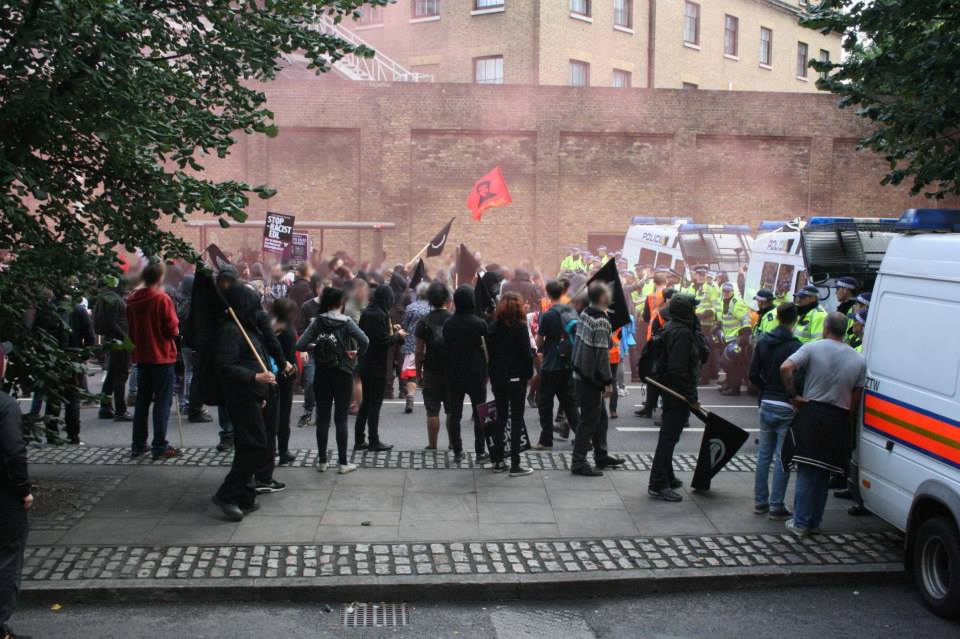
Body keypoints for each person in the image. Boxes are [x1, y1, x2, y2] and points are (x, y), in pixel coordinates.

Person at [780, 312, 866, 538]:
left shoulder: (813, 348)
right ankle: (814, 522)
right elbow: (856, 396)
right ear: (844, 329)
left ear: (825, 328)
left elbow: (785, 368)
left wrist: (793, 396)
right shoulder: (858, 358)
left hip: (813, 411)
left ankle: (800, 522)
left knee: (807, 470)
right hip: (839, 416)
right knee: (824, 473)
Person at [211, 285, 277, 521]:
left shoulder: (247, 328)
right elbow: (225, 366)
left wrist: (261, 392)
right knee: (256, 445)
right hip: (241, 395)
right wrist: (255, 377)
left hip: (253, 395)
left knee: (252, 445)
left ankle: (245, 495)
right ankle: (227, 494)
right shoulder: (231, 330)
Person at [296, 287, 369, 474]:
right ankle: (343, 463)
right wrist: (355, 353)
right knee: (341, 418)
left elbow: (300, 344)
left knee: (322, 417)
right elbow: (365, 341)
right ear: (341, 303)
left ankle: (322, 461)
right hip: (343, 372)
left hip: (322, 373)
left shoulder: (317, 322)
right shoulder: (347, 322)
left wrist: (317, 345)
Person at [748, 302, 802, 521]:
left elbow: (752, 374)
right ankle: (776, 505)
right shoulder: (795, 346)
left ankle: (760, 502)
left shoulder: (763, 342)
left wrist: (765, 387)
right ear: (794, 320)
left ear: (778, 317)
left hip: (767, 401)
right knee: (782, 457)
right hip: (786, 404)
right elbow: (799, 377)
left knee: (763, 456)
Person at [648, 293, 702, 502]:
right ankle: (658, 483)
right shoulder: (681, 333)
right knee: (668, 438)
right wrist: (691, 397)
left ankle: (667, 476)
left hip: (672, 390)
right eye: (692, 307)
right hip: (676, 393)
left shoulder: (673, 327)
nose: (695, 311)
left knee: (670, 436)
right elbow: (679, 369)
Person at [126, 260, 181, 460]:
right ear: (160, 277)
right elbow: (172, 328)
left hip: (142, 354)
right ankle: (160, 445)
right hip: (162, 355)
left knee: (142, 401)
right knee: (162, 402)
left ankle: (138, 444)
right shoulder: (161, 299)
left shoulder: (132, 300)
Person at [570, 282, 625, 477]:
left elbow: (599, 342)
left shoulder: (586, 313)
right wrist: (607, 381)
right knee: (588, 420)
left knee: (600, 417)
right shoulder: (601, 321)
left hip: (581, 373)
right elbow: (602, 354)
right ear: (602, 298)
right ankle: (578, 462)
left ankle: (601, 456)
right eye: (607, 293)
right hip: (591, 378)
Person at [0, 341, 32, 639]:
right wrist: (24, 489)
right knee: (8, 557)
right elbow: (13, 452)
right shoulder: (5, 405)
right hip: (4, 497)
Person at [488, 292, 535, 476]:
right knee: (516, 420)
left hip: (498, 378)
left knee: (500, 418)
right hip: (516, 379)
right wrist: (527, 374)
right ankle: (515, 464)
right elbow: (525, 355)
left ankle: (498, 460)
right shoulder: (520, 328)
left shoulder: (493, 328)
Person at [355, 284, 405, 451]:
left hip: (365, 362)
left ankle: (359, 439)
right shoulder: (380, 315)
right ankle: (374, 440)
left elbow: (369, 337)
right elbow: (383, 342)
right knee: (375, 404)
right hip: (377, 365)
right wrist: (398, 336)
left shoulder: (367, 312)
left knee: (366, 402)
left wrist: (392, 331)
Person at [443, 285, 490, 462]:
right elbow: (487, 350)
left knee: (455, 413)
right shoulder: (480, 324)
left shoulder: (449, 323)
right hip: (476, 372)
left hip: (454, 371)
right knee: (480, 412)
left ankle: (457, 450)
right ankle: (480, 451)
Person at [535, 280, 580, 447]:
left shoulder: (548, 315)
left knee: (545, 404)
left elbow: (539, 342)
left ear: (548, 293)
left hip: (551, 364)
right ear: (562, 293)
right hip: (568, 364)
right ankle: (583, 439)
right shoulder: (572, 311)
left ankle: (546, 440)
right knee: (570, 404)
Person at [415, 282, 453, 451]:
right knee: (451, 410)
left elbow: (418, 351)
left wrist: (418, 373)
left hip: (431, 369)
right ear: (447, 299)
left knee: (432, 410)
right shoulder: (453, 319)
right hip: (451, 370)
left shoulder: (424, 321)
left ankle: (433, 444)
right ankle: (453, 443)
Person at [265, 298, 299, 468]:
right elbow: (290, 358)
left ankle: (270, 450)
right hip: (283, 377)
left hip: (268, 375)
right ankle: (283, 451)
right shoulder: (288, 332)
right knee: (283, 415)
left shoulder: (268, 326)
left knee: (270, 416)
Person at [94, 281, 133, 422]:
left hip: (112, 339)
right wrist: (125, 338)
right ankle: (120, 410)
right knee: (120, 375)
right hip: (119, 341)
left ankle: (105, 406)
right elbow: (112, 322)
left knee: (112, 374)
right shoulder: (114, 299)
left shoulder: (105, 297)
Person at [295, 275, 324, 428]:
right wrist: (303, 349)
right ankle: (307, 411)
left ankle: (322, 413)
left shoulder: (334, 306)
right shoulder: (307, 306)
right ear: (317, 288)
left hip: (327, 351)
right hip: (311, 350)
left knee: (325, 383)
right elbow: (300, 329)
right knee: (310, 381)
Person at [400, 282, 430, 414]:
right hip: (429, 345)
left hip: (413, 344)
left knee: (412, 374)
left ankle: (410, 399)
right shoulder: (432, 308)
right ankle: (428, 399)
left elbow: (405, 325)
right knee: (428, 373)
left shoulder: (410, 308)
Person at [717, 282, 752, 396]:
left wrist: (745, 334)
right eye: (724, 291)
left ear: (732, 292)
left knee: (734, 366)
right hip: (727, 338)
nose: (726, 293)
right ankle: (729, 383)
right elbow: (725, 318)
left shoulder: (736, 303)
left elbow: (746, 318)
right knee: (726, 364)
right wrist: (718, 325)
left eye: (728, 291)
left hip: (736, 339)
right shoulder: (724, 301)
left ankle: (734, 388)